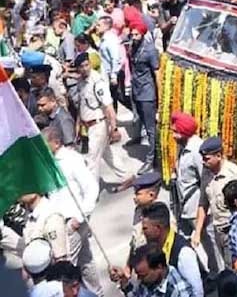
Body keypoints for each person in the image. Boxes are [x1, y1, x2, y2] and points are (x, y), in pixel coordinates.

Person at [40, 126, 103, 295]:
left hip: (72, 222)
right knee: (86, 260)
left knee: (66, 268)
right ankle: (97, 292)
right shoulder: (50, 163)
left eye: (45, 145)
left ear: (56, 142)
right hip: (60, 221)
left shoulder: (71, 159)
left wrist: (79, 218)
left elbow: (91, 188)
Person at [192, 137, 237, 273]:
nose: (204, 163)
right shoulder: (206, 174)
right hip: (218, 230)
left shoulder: (234, 174)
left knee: (234, 269)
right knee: (225, 265)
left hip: (233, 231)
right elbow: (203, 203)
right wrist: (197, 232)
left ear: (219, 155)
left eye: (207, 159)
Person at [74, 52, 130, 184]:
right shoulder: (81, 82)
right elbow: (81, 105)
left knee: (92, 160)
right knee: (107, 154)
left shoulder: (97, 81)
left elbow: (109, 106)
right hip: (88, 125)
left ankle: (92, 193)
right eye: (81, 67)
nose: (85, 68)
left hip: (98, 124)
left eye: (86, 65)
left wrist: (114, 127)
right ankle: (127, 176)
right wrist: (77, 125)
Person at [137, 203, 203, 297]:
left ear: (158, 228)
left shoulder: (183, 253)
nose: (142, 232)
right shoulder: (155, 248)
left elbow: (197, 291)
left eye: (145, 228)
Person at [128, 18, 159, 172]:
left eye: (136, 35)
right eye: (132, 34)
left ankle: (151, 159)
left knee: (150, 128)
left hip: (147, 93)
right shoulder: (132, 47)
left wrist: (160, 97)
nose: (133, 38)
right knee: (141, 123)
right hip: (136, 90)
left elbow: (157, 74)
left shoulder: (150, 50)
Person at [112, 244, 194, 297]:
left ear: (159, 267)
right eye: (138, 275)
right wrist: (124, 280)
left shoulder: (179, 292)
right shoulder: (150, 280)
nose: (139, 279)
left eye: (142, 276)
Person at [171, 113, 204, 237]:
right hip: (183, 207)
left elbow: (205, 182)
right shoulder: (182, 146)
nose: (173, 136)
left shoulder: (197, 151)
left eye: (176, 132)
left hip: (195, 210)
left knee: (210, 249)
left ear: (185, 132)